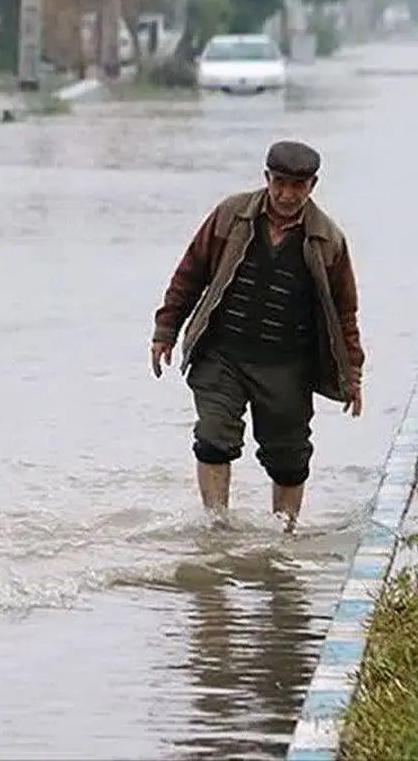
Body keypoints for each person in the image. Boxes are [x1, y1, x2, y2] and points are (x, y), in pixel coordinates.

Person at [150, 140, 365, 532]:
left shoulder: (327, 239)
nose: (286, 194)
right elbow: (190, 272)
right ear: (267, 178)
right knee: (213, 436)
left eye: (297, 186)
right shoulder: (231, 216)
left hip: (287, 364)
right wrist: (166, 329)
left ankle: (283, 538)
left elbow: (345, 312)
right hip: (223, 353)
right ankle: (216, 529)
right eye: (279, 182)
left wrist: (352, 376)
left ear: (312, 186)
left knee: (289, 457)